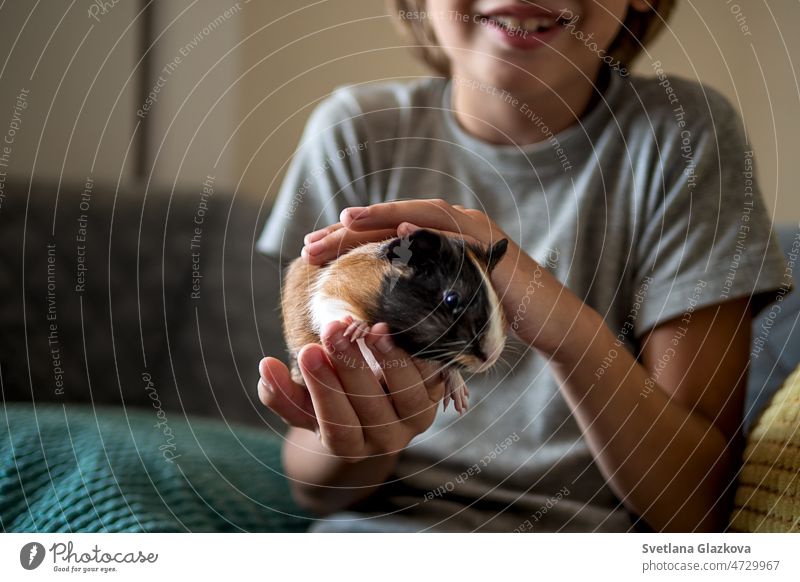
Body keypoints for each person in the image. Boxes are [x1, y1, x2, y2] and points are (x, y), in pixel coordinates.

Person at [255, 0, 790, 532]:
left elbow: (698, 511)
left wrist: (564, 331)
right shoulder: (356, 131)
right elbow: (312, 485)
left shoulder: (683, 136)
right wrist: (367, 427)